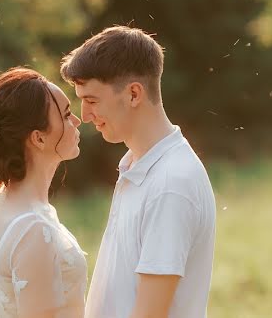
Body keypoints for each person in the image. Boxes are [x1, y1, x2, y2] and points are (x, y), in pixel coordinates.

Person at [60, 26, 216, 318]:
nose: (85, 115)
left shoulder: (172, 182)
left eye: (92, 100)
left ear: (133, 94)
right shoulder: (138, 165)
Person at [0, 66, 87, 318]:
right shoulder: (34, 229)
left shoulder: (1, 203)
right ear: (39, 138)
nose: (77, 120)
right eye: (66, 115)